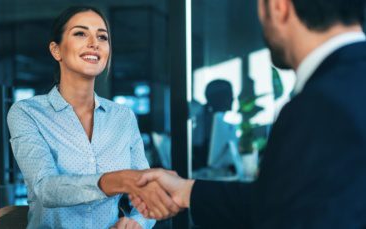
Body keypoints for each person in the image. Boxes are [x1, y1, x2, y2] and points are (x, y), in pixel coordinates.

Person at [130, 0, 366, 228]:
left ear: (278, 7)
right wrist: (187, 191)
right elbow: (288, 202)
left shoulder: (319, 104)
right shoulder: (348, 87)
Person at [7, 6, 178, 229]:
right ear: (56, 50)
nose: (94, 43)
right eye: (80, 33)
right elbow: (45, 188)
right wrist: (117, 180)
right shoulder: (27, 112)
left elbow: (144, 194)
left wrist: (137, 222)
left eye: (102, 36)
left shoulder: (123, 117)